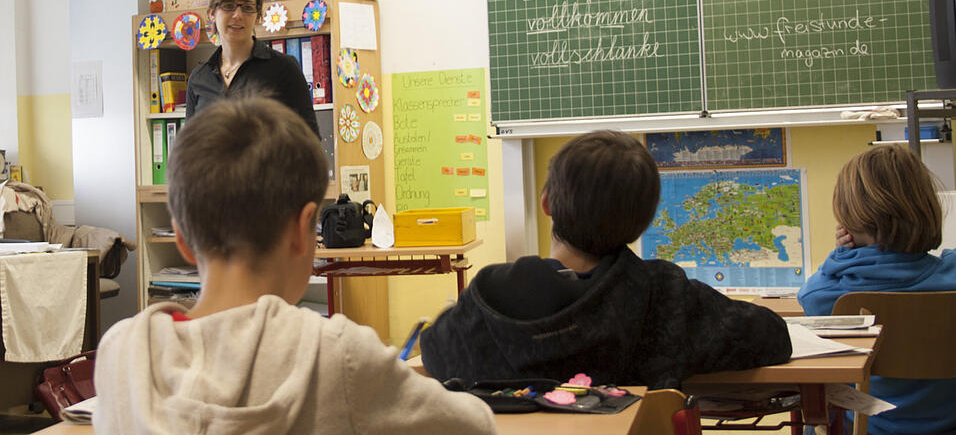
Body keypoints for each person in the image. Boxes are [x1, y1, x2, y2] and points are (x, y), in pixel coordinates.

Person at [93, 97, 495, 434]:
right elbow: (475, 427)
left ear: (181, 237)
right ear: (305, 229)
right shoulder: (336, 356)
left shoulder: (121, 355)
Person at [420, 130, 792, 390]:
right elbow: (772, 337)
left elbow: (434, 354)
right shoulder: (666, 297)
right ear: (643, 223)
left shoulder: (485, 304)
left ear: (546, 203)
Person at [798, 144, 956, 435]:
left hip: (869, 430)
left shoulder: (830, 296)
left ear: (848, 222)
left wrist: (841, 256)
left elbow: (806, 296)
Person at [185, 0, 320, 139]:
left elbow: (310, 142)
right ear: (212, 14)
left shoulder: (283, 69)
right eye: (228, 6)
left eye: (248, 8)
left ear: (258, 17)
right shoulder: (199, 78)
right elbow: (190, 149)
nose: (238, 15)